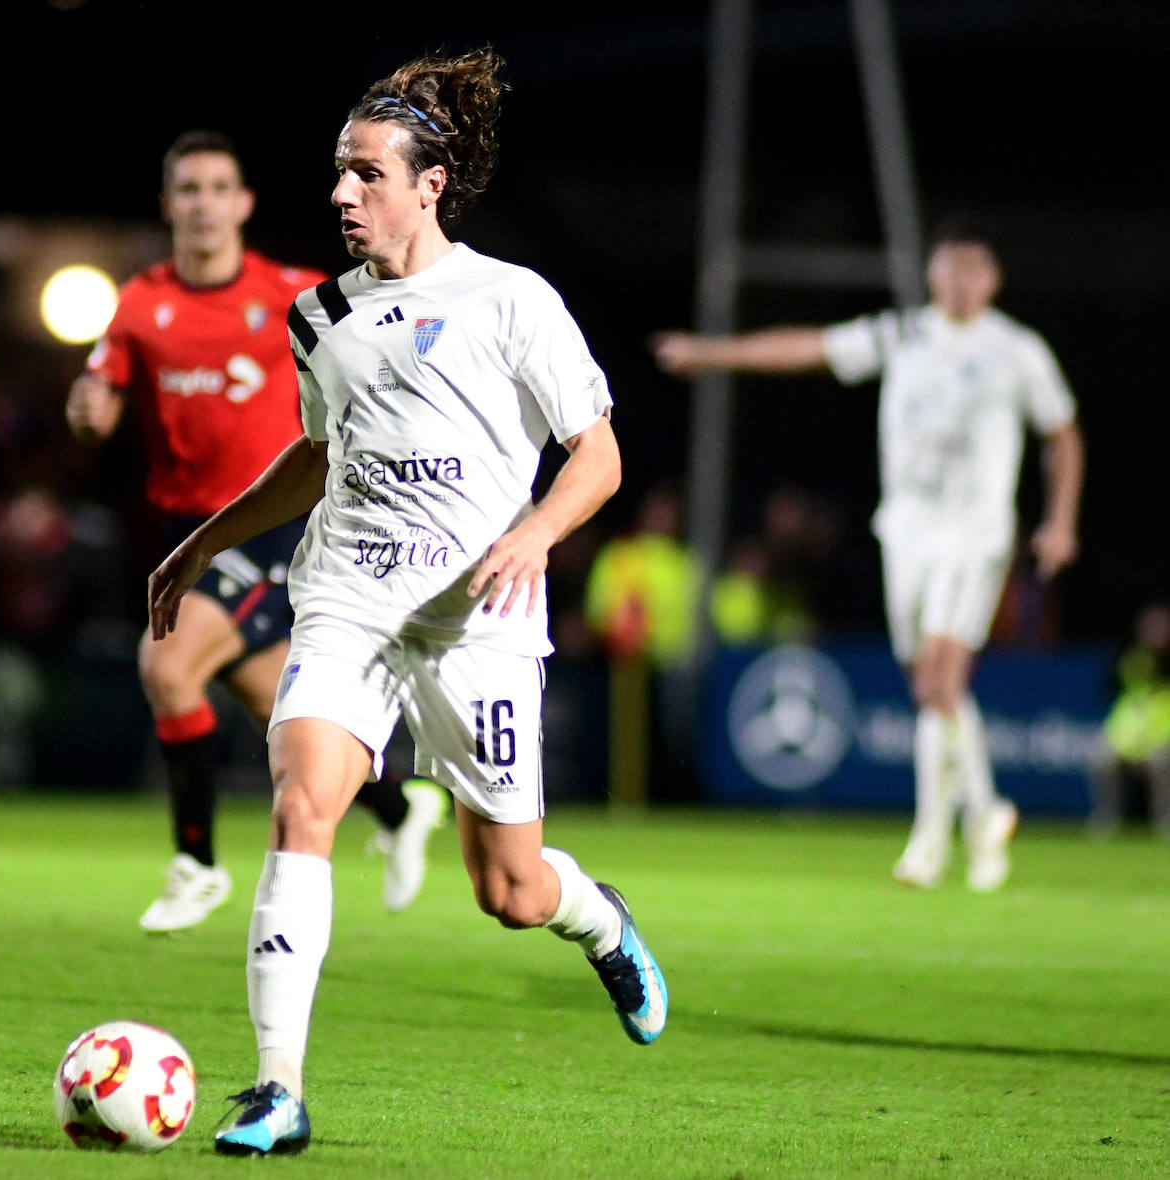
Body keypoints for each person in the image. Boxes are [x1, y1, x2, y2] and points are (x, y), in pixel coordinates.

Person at [148, 50, 667, 1156]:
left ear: (429, 185)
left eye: (367, 175)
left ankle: (603, 919)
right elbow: (317, 456)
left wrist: (534, 530)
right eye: (339, 173)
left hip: (475, 622)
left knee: (511, 889)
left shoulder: (511, 298)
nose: (342, 194)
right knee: (302, 801)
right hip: (345, 602)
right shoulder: (317, 314)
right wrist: (204, 541)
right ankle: (277, 1089)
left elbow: (599, 455)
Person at [66, 130, 445, 931]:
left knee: (167, 669)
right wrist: (88, 409)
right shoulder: (141, 303)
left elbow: (390, 322)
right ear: (170, 205)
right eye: (188, 190)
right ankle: (396, 806)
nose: (203, 204)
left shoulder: (296, 293)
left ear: (243, 204)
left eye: (218, 188)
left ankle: (196, 864)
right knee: (280, 712)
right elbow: (98, 388)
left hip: (271, 525)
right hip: (183, 531)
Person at [650, 217, 1084, 891]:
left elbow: (1064, 435)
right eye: (952, 266)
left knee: (940, 680)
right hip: (906, 530)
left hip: (975, 533)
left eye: (977, 268)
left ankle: (928, 844)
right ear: (934, 274)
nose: (964, 280)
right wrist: (713, 353)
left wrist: (1059, 521)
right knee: (929, 686)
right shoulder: (905, 334)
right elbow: (809, 348)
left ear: (993, 280)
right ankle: (988, 809)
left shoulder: (1016, 350)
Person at [1087, 603, 1170, 836]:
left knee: (1162, 762)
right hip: (1127, 740)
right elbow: (1109, 685)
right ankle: (1107, 819)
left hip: (1161, 740)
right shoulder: (1131, 657)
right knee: (1101, 756)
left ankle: (1165, 822)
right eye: (1151, 628)